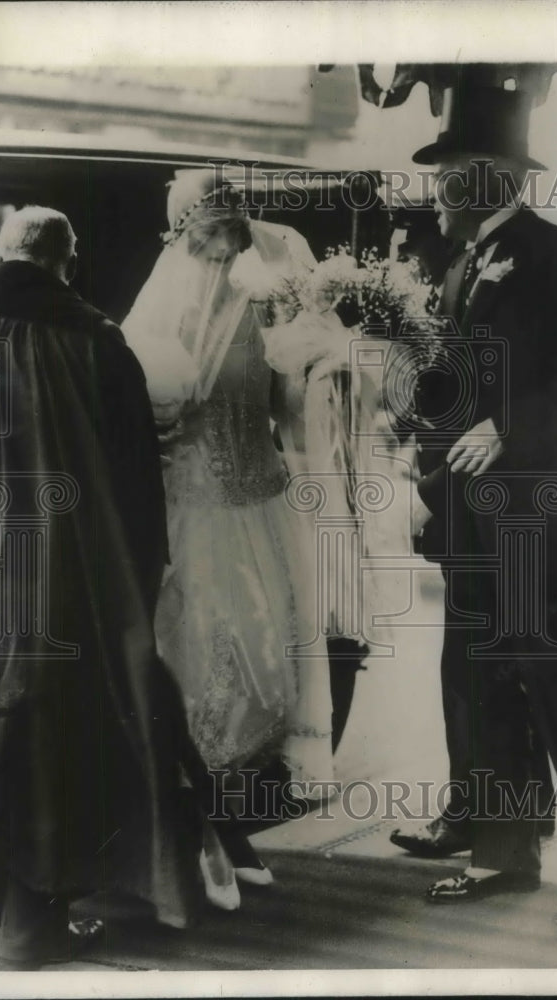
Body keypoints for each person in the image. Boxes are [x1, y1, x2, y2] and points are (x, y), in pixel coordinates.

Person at [404, 86, 557, 929]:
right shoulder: (464, 263)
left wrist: (510, 426)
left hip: (540, 509)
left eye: (448, 175)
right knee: (485, 676)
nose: (435, 191)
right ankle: (503, 856)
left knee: (554, 680)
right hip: (474, 515)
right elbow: (461, 394)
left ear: (491, 176)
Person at [0, 206, 205, 969]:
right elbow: (138, 483)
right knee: (56, 725)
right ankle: (31, 921)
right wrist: (138, 578)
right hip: (61, 568)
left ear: (1, 251)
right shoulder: (99, 342)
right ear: (68, 261)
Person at [121, 172, 335, 898]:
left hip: (261, 503)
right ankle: (199, 833)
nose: (225, 244)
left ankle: (228, 822)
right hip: (192, 509)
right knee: (197, 660)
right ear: (185, 234)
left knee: (265, 668)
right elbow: (136, 411)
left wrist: (313, 368)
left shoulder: (268, 301)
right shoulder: (159, 313)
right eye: (211, 231)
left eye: (235, 228)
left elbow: (290, 411)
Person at [388, 199, 557, 859]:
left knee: (473, 660)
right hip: (471, 496)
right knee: (494, 654)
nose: (402, 261)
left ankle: (473, 814)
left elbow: (484, 393)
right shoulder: (458, 279)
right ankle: (524, 806)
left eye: (410, 248)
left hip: (484, 495)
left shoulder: (483, 279)